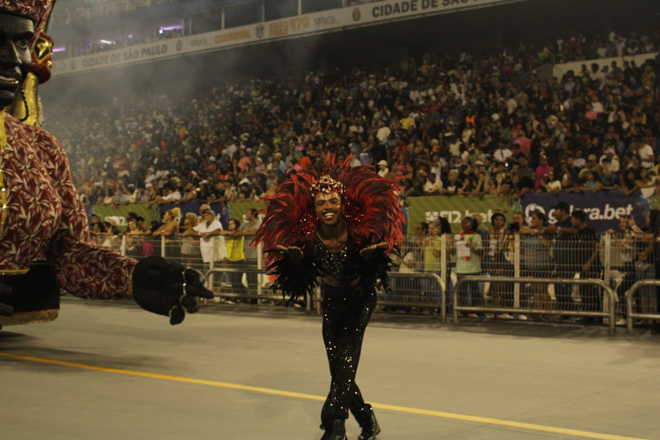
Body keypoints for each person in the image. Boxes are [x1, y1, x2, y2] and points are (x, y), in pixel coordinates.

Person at [0, 2, 211, 330]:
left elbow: (69, 252)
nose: (13, 58)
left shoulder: (42, 148)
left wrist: (131, 276)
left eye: (23, 43)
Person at [255, 155, 404, 440]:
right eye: (321, 203)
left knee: (345, 358)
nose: (327, 207)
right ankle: (368, 420)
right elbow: (299, 283)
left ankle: (336, 427)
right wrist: (298, 264)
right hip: (332, 300)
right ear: (313, 207)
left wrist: (369, 262)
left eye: (333, 202)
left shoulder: (359, 233)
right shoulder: (307, 239)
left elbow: (376, 271)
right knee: (339, 366)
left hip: (360, 299)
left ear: (343, 204)